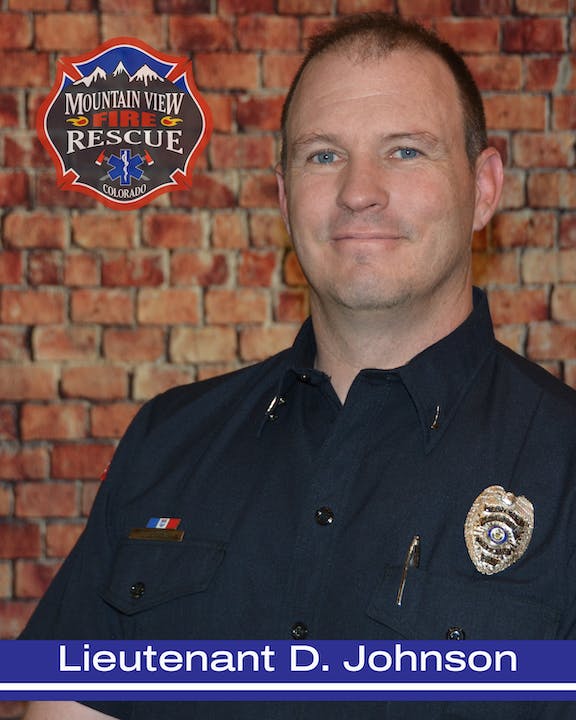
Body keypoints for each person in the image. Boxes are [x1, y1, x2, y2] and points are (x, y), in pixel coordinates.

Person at [21, 12, 576, 720]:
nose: (358, 190)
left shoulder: (564, 467)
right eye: (322, 156)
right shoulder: (168, 440)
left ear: (485, 188)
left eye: (406, 151)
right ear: (283, 197)